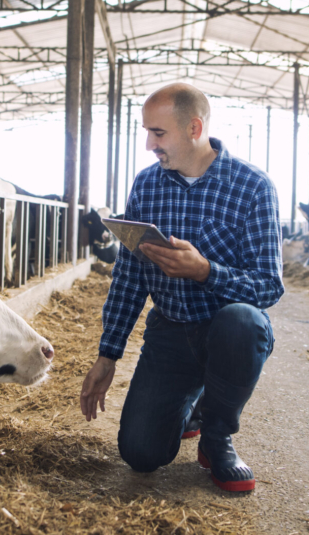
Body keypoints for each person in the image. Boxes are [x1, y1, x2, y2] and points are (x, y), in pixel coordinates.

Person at [79, 83, 283, 492]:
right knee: (140, 454)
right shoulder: (147, 185)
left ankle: (216, 436)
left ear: (193, 128)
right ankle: (189, 402)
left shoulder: (253, 188)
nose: (148, 144)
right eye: (146, 131)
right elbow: (130, 275)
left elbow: (268, 287)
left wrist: (206, 271)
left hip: (223, 331)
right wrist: (108, 353)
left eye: (158, 133)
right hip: (169, 331)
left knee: (243, 321)